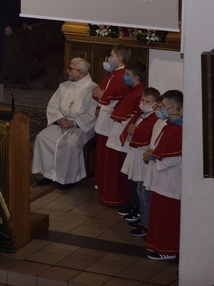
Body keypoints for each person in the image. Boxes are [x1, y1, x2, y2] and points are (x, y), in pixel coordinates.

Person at [31, 58, 99, 188]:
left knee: (69, 144)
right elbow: (53, 106)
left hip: (81, 127)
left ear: (80, 72)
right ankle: (48, 174)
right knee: (42, 138)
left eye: (71, 69)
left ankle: (68, 179)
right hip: (61, 122)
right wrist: (59, 119)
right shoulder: (64, 86)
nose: (67, 72)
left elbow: (93, 114)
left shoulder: (93, 89)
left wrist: (74, 123)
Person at [100, 58, 146, 207]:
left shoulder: (139, 93)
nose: (124, 77)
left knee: (132, 176)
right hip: (123, 133)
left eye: (127, 74)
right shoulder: (133, 90)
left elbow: (135, 114)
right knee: (129, 174)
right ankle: (132, 204)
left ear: (136, 77)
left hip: (128, 137)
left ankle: (135, 206)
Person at [144, 90, 183, 261]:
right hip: (163, 179)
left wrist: (153, 157)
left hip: (171, 180)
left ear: (174, 108)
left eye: (163, 106)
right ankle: (160, 245)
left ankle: (168, 249)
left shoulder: (179, 129)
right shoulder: (170, 125)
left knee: (168, 217)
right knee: (160, 214)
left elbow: (173, 157)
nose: (160, 109)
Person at [119, 87, 162, 237]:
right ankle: (142, 218)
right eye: (143, 100)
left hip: (144, 159)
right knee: (139, 190)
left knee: (145, 193)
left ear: (156, 104)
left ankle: (146, 224)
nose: (143, 103)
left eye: (147, 101)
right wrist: (133, 131)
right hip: (137, 155)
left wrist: (135, 131)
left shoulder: (155, 119)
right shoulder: (143, 115)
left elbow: (148, 136)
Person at [91, 45, 131, 205]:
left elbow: (119, 100)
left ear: (119, 58)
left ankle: (114, 195)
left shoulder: (122, 76)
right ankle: (104, 190)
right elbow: (102, 94)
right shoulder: (114, 74)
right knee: (105, 159)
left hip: (113, 123)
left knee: (112, 161)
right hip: (105, 121)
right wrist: (101, 98)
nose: (108, 59)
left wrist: (103, 98)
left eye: (112, 55)